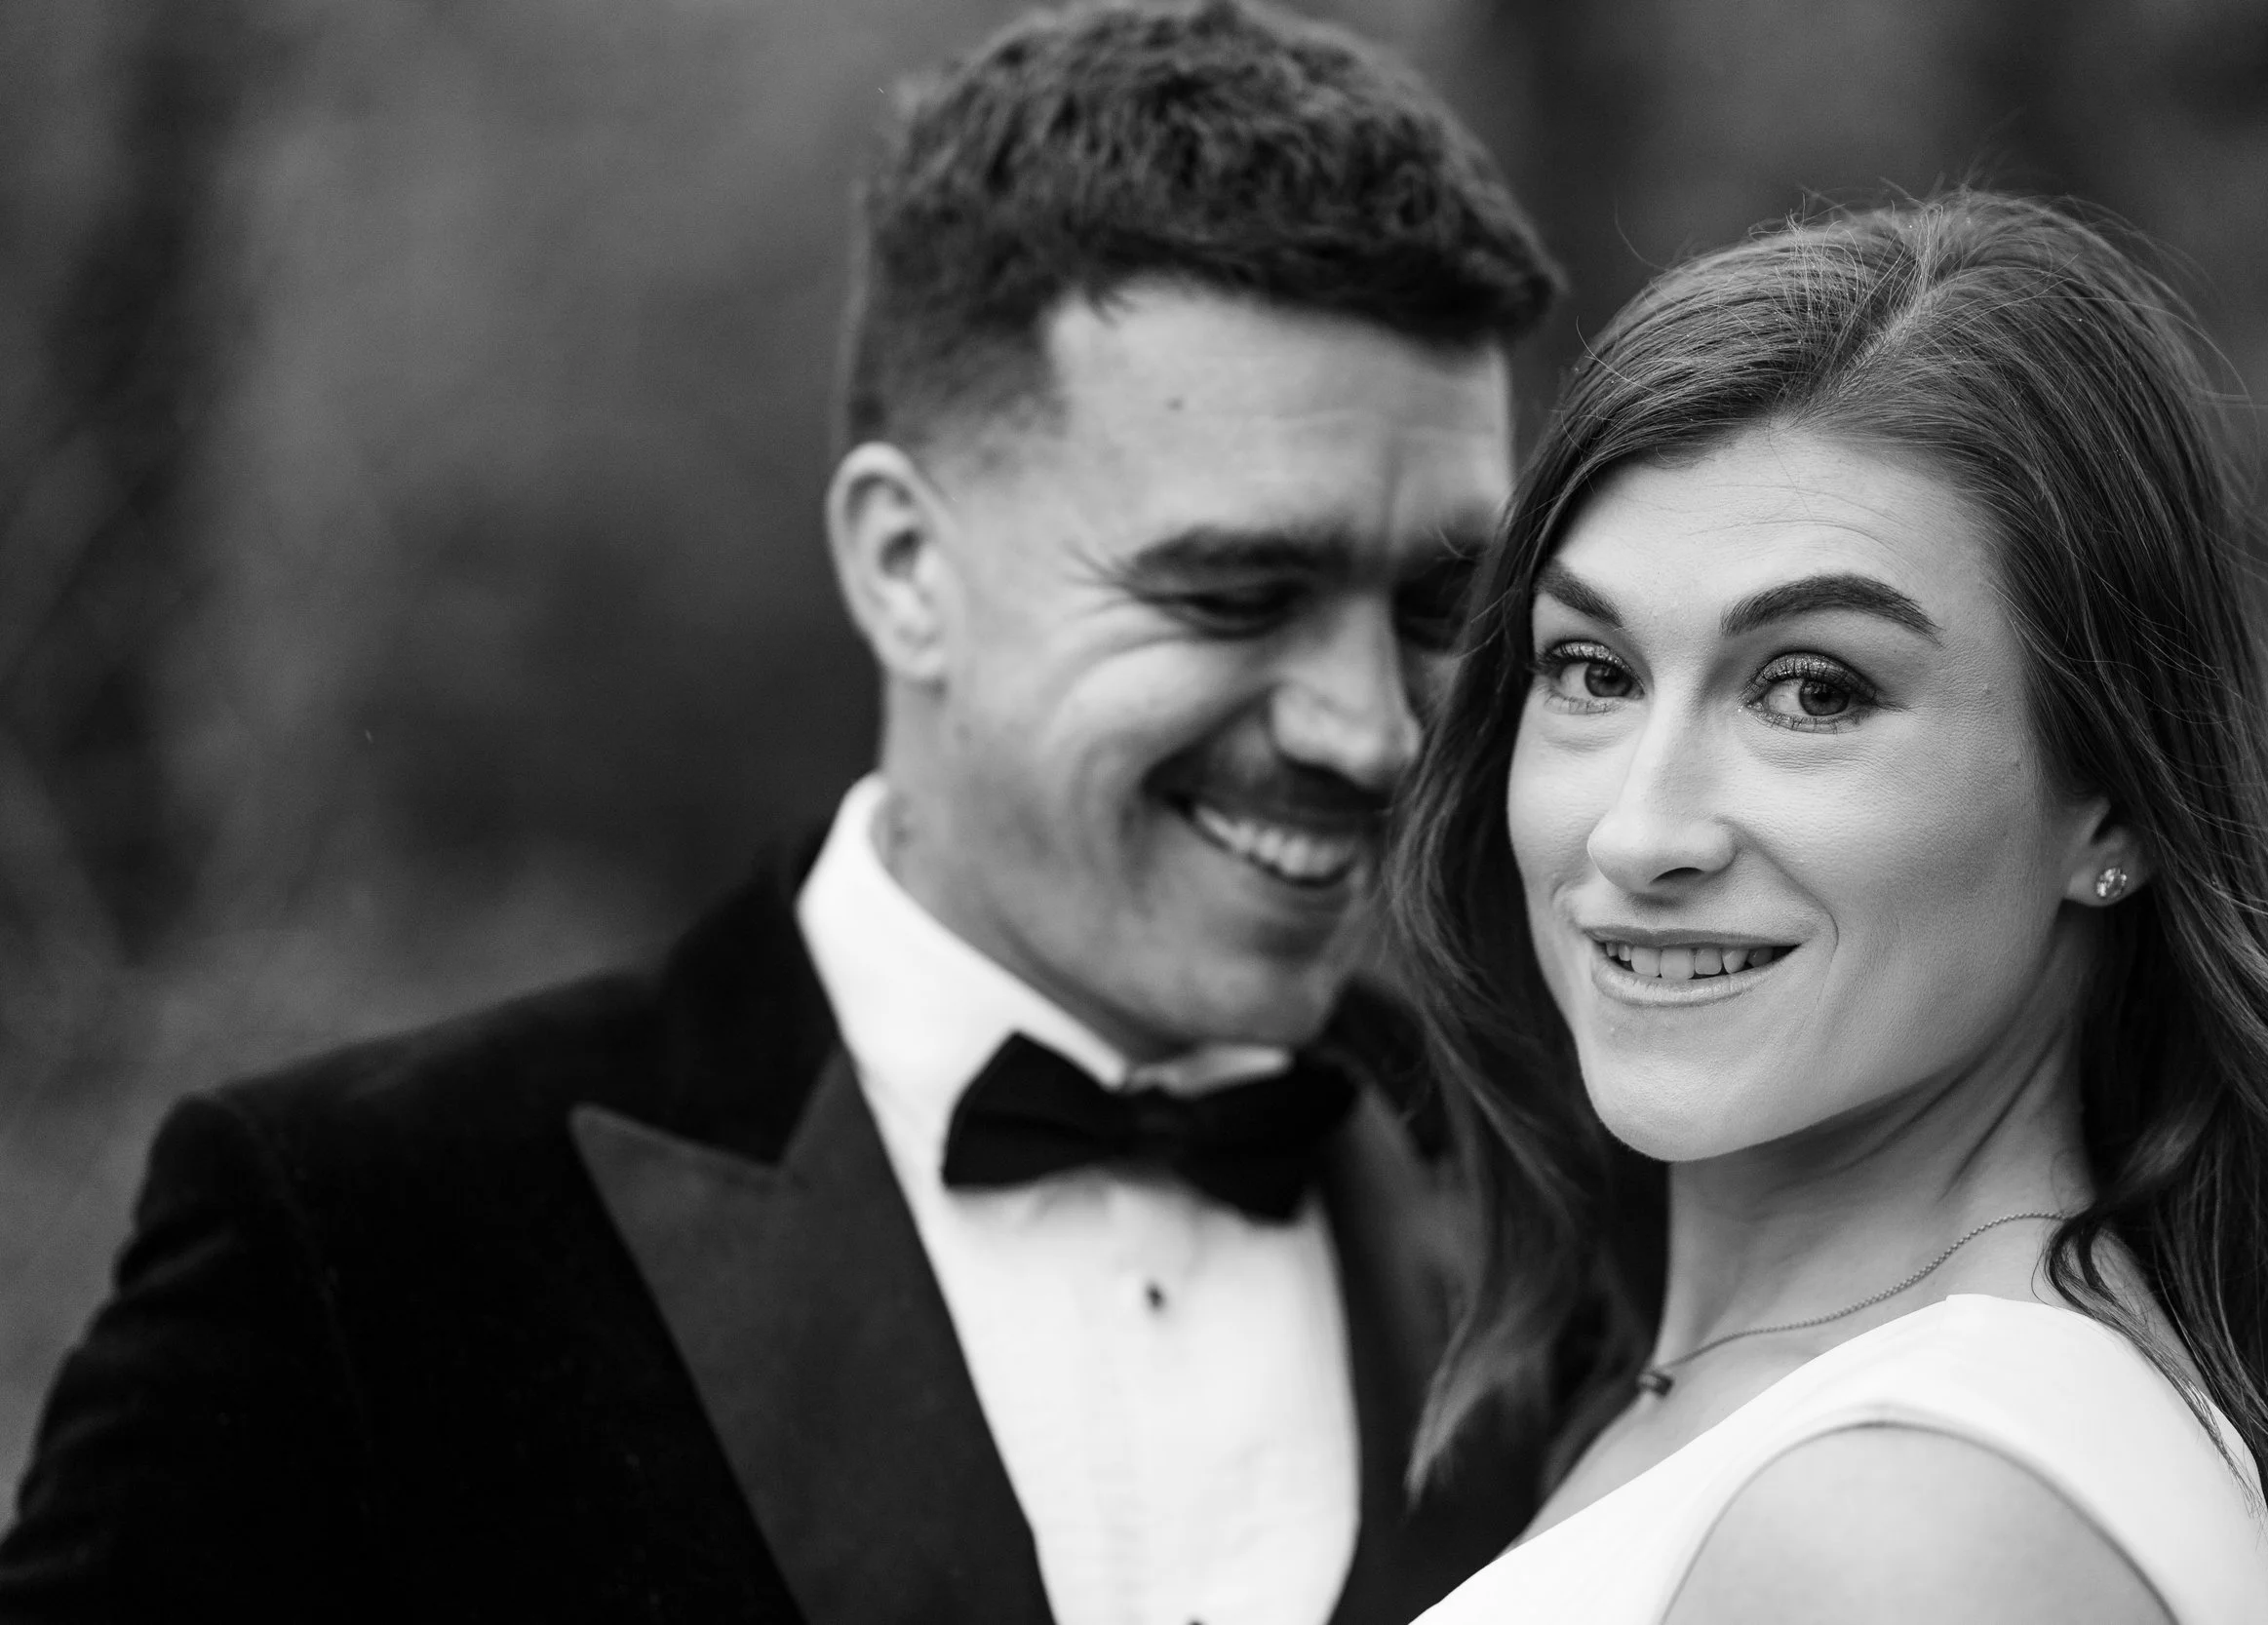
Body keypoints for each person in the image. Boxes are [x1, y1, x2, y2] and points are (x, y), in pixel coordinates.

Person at [0, 4, 1571, 1620]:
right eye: (1239, 592)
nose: (1371, 729)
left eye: (1440, 602)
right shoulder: (351, 1231)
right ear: (905, 564)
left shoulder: (1574, 1206)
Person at [1389, 192, 2268, 1625]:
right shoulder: (1800, 1404)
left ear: (2116, 803)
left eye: (1813, 689)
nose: (1638, 830)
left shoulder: (1909, 1526)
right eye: (1593, 669)